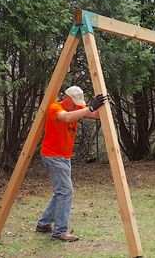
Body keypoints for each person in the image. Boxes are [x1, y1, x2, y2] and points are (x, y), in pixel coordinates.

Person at [36, 86, 106, 241]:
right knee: (66, 191)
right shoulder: (55, 108)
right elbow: (67, 117)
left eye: (78, 103)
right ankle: (60, 231)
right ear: (66, 97)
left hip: (64, 157)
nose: (76, 105)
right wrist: (90, 107)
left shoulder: (77, 107)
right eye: (74, 102)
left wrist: (102, 104)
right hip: (52, 156)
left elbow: (98, 116)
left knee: (61, 191)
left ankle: (44, 223)